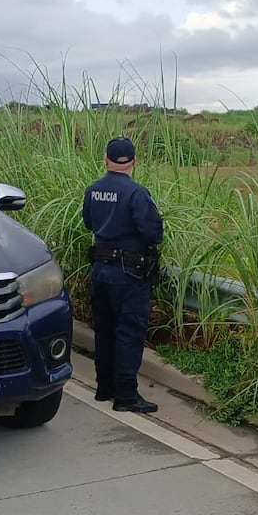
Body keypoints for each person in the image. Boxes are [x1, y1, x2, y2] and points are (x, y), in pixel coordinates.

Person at [82, 136, 164, 413]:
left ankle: (104, 387)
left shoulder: (93, 190)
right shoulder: (137, 193)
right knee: (129, 331)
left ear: (106, 159)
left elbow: (88, 223)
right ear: (134, 162)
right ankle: (126, 395)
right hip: (130, 273)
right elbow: (153, 232)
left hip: (100, 270)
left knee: (104, 330)